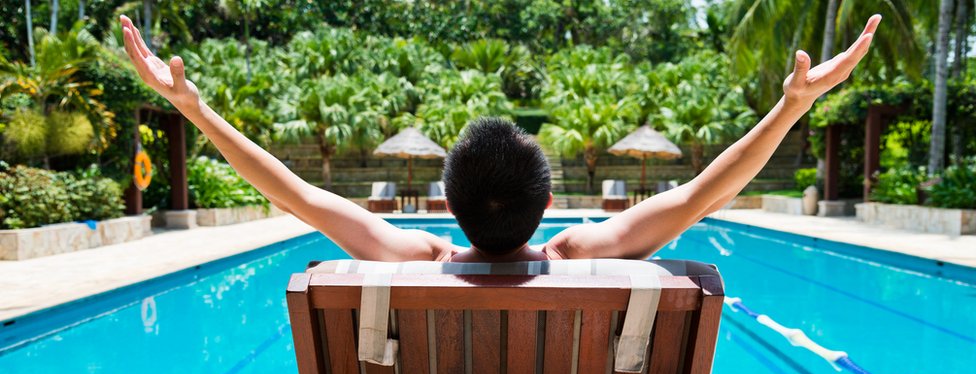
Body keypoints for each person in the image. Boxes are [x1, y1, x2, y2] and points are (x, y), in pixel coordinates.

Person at [119, 14, 881, 264]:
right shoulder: (578, 254)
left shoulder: (420, 259)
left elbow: (295, 195)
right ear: (548, 204)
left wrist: (195, 109)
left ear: (448, 208)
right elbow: (703, 194)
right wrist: (790, 106)